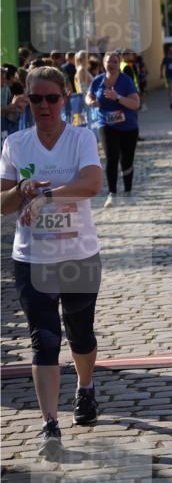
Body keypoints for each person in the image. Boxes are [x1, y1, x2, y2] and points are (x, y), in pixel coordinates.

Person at [0, 66, 103, 459]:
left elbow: (92, 183)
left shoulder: (80, 138)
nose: (45, 106)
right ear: (26, 99)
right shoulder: (16, 144)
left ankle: (85, 386)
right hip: (32, 259)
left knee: (81, 336)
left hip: (78, 256)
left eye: (52, 98)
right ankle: (50, 424)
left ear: (64, 99)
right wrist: (22, 191)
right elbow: (2, 205)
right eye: (37, 99)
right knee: (44, 340)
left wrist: (47, 197)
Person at [86, 51, 141, 208]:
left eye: (115, 62)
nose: (111, 64)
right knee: (111, 157)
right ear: (104, 63)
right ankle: (112, 194)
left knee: (127, 159)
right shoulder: (97, 81)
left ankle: (128, 192)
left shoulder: (126, 81)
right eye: (109, 61)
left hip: (128, 126)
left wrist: (117, 97)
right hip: (106, 125)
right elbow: (88, 96)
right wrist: (91, 101)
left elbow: (135, 104)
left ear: (119, 63)